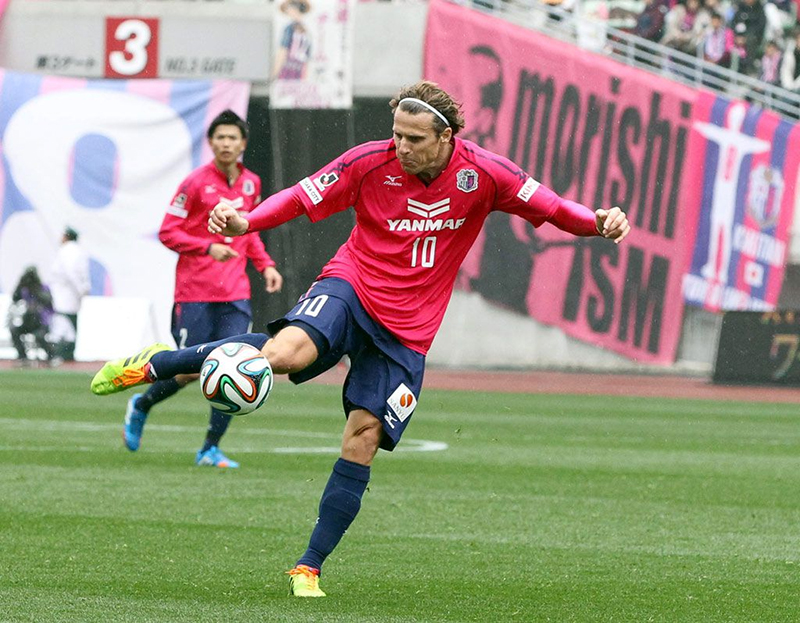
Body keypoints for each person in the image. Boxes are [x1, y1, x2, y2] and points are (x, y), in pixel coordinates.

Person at [90, 81, 631, 597]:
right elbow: (300, 198)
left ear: (447, 138)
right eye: (396, 133)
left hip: (410, 329)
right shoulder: (368, 161)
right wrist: (246, 223)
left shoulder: (487, 174)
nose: (401, 146)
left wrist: (598, 222)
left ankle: (308, 565)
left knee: (362, 438)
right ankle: (158, 365)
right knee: (282, 355)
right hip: (352, 285)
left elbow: (556, 208)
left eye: (414, 139)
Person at [121, 109, 284, 469]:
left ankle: (209, 449)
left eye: (232, 137)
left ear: (243, 143)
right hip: (195, 292)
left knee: (236, 364)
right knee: (189, 371)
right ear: (210, 143)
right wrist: (206, 246)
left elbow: (250, 228)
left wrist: (265, 264)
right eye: (219, 137)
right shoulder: (194, 183)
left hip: (235, 294)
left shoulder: (250, 183)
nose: (226, 143)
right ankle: (142, 404)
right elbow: (168, 231)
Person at [48, 226, 91, 362]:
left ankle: (64, 353)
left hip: (66, 294)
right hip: (67, 294)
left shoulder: (69, 251)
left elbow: (71, 272)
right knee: (68, 323)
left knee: (65, 324)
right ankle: (66, 353)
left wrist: (80, 291)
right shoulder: (76, 251)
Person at [7, 266, 55, 364]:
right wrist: (20, 284)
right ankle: (22, 356)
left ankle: (51, 356)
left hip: (41, 322)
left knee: (39, 336)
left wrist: (36, 290)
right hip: (28, 321)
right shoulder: (24, 289)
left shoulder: (43, 288)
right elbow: (15, 298)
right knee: (14, 331)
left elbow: (47, 301)